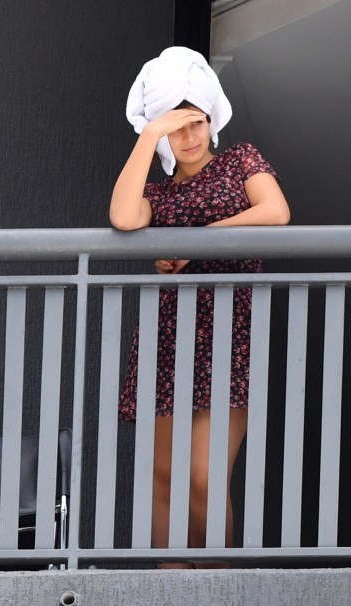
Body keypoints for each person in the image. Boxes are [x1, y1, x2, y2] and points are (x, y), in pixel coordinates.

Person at [110, 46, 290, 567]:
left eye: (196, 123)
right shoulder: (158, 194)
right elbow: (124, 218)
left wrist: (200, 242)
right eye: (174, 127)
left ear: (211, 120)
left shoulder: (240, 160)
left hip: (228, 334)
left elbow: (275, 211)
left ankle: (211, 587)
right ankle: (169, 587)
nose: (188, 137)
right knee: (165, 476)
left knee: (205, 476)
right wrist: (148, 134)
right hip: (170, 336)